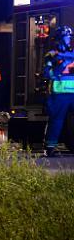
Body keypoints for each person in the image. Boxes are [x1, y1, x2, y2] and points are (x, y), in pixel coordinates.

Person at [43, 25, 74, 157]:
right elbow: (47, 72)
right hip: (59, 92)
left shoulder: (61, 54)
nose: (67, 40)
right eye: (65, 37)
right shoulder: (50, 54)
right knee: (57, 120)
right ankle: (50, 147)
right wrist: (56, 72)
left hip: (69, 93)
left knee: (57, 120)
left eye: (68, 37)